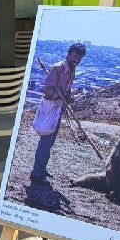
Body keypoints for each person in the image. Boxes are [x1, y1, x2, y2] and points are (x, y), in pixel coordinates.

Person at [30, 43, 87, 185]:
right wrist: (59, 96)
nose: (76, 60)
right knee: (45, 140)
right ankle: (37, 174)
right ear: (68, 54)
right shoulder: (57, 68)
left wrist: (69, 96)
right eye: (74, 56)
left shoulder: (72, 70)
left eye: (79, 58)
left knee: (51, 141)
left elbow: (66, 90)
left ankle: (42, 169)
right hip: (50, 107)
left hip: (59, 108)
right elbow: (47, 92)